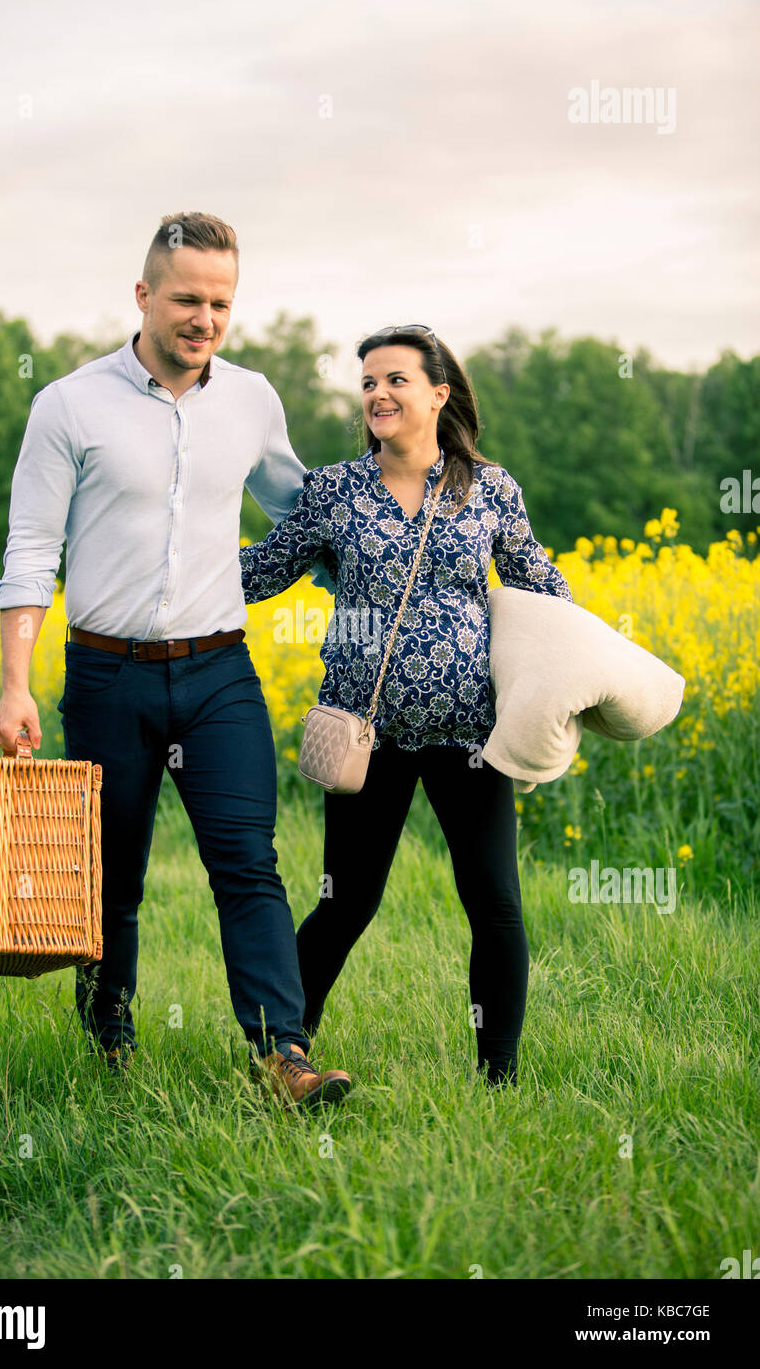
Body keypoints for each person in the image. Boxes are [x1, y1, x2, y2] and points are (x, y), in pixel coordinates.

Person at [0, 211, 352, 1107]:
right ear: (144, 295)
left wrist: (404, 520)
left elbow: (300, 510)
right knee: (112, 873)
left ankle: (285, 1056)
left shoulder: (252, 399)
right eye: (188, 298)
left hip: (219, 673)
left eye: (222, 302)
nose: (206, 318)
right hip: (107, 677)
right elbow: (31, 552)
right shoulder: (69, 405)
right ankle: (109, 1032)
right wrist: (14, 682)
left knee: (249, 862)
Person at [239, 325, 573, 1087]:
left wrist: (584, 671)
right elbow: (266, 570)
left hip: (470, 737)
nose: (378, 394)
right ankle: (283, 1052)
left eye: (395, 380)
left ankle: (501, 1077)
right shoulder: (337, 490)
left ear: (438, 393)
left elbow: (541, 586)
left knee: (493, 904)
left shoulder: (492, 490)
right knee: (346, 902)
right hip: (368, 734)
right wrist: (173, 570)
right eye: (368, 384)